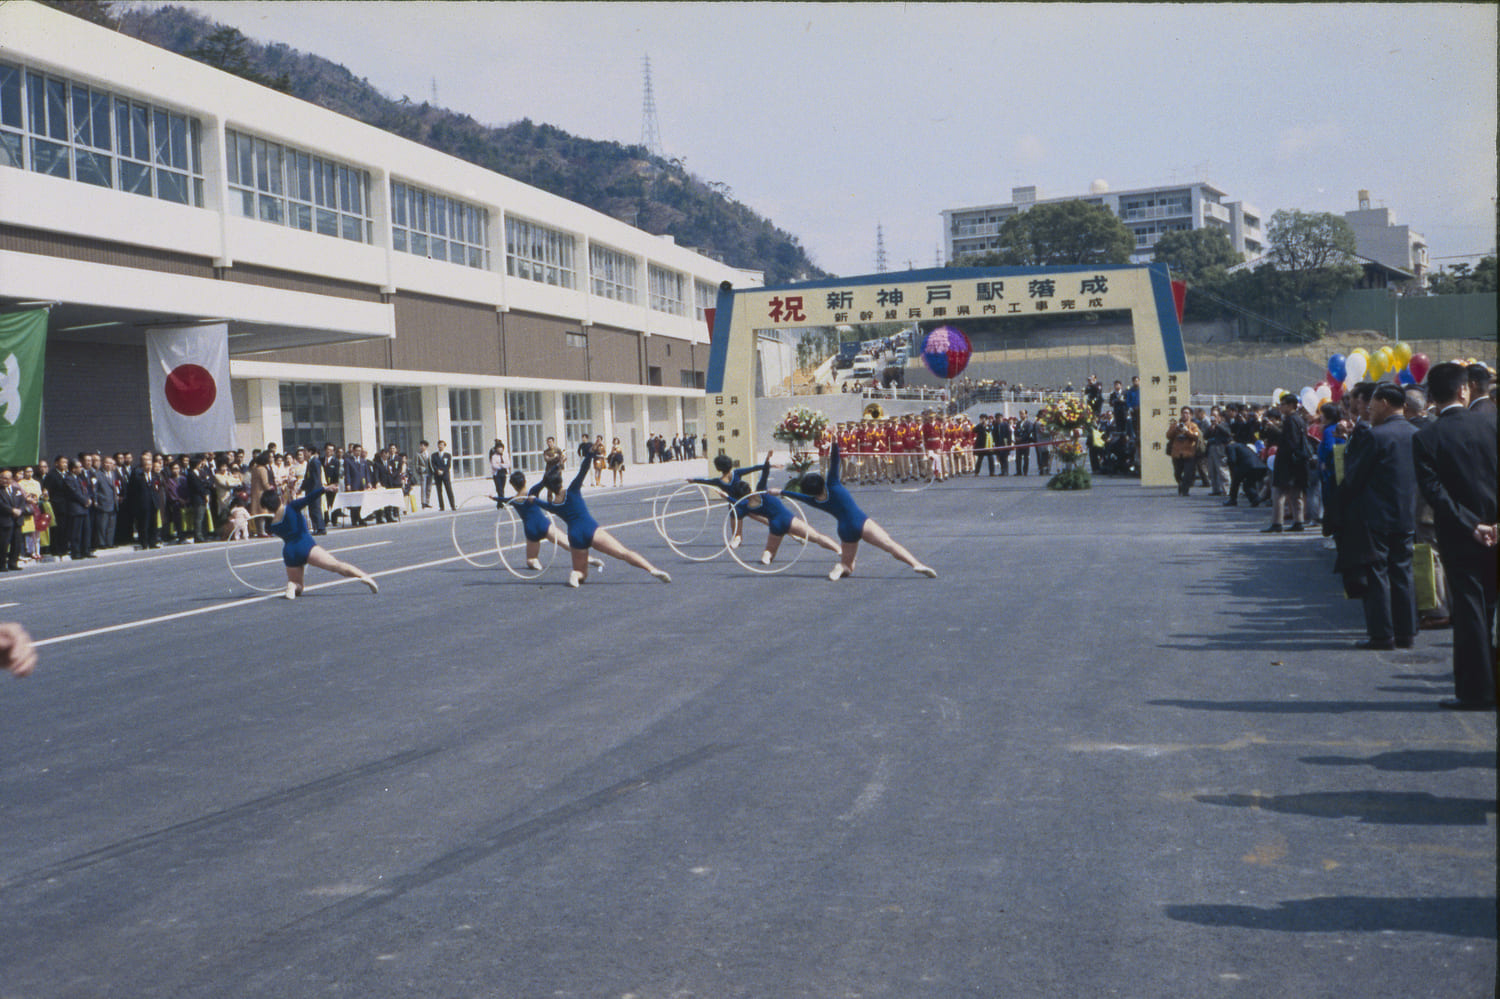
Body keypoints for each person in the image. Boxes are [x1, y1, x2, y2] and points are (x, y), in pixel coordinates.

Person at [1411, 362, 1497, 710]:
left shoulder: (1426, 437)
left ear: (1431, 396)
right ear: (1465, 389)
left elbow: (1435, 492)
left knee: (1470, 610)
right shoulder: (1494, 424)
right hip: (1496, 530)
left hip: (1460, 536)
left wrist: (1471, 525)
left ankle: (1477, 691)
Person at [778, 440, 937, 581]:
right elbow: (835, 461)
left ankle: (841, 567)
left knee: (849, 566)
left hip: (844, 530)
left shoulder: (815, 501)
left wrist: (781, 492)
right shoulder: (833, 484)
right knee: (889, 544)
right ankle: (915, 564)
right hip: (861, 522)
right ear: (822, 481)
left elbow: (798, 496)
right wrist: (834, 442)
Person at [1336, 384, 1419, 651]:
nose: (1369, 409)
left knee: (1377, 575)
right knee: (1403, 572)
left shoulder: (1377, 436)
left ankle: (1382, 635)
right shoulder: (1416, 433)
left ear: (1384, 402)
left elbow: (1355, 478)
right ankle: (1406, 632)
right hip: (1407, 514)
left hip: (1376, 516)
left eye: (1371, 404)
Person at [531, 453, 670, 588]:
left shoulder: (553, 505)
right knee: (623, 553)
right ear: (560, 480)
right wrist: (590, 455)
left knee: (582, 574)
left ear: (548, 486)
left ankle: (576, 574)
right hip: (590, 529)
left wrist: (534, 498)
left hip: (575, 535)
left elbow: (535, 495)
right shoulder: (572, 491)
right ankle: (651, 569)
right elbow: (583, 470)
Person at [262, 483, 379, 600]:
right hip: (305, 545)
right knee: (336, 565)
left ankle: (292, 585)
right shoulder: (292, 507)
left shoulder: (272, 525)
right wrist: (324, 489)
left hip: (289, 552)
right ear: (279, 499)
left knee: (299, 587)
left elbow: (271, 527)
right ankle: (364, 576)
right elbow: (309, 499)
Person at [506, 470, 604, 573]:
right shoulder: (532, 492)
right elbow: (544, 481)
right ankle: (589, 558)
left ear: (513, 485)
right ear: (525, 481)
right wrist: (556, 465)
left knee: (531, 559)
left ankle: (536, 564)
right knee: (567, 543)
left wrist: (493, 497)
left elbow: (502, 499)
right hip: (544, 525)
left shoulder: (513, 500)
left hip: (530, 530)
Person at [1263, 394, 1310, 532]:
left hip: (1287, 462)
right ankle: (1298, 521)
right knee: (1296, 494)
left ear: (1291, 405)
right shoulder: (1300, 420)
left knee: (1278, 493)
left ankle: (1277, 523)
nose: (1280, 406)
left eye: (1283, 404)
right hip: (1298, 462)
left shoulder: (1290, 420)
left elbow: (1291, 442)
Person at [1165, 406, 1201, 497]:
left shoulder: (1193, 426)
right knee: (1177, 473)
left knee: (1188, 474)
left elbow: (1196, 436)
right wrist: (1176, 429)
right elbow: (1168, 435)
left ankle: (1185, 491)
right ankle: (1181, 484)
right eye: (1183, 413)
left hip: (1189, 453)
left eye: (1187, 413)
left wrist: (1186, 431)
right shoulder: (1175, 425)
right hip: (1177, 453)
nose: (1185, 415)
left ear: (1191, 415)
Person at [488, 439, 509, 507]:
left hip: (503, 473)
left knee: (502, 488)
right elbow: (494, 465)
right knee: (499, 488)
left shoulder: (505, 455)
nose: (500, 449)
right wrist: (501, 465)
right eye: (498, 448)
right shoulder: (494, 456)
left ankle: (500, 502)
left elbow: (508, 464)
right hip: (497, 474)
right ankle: (502, 502)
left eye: (501, 448)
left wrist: (501, 465)